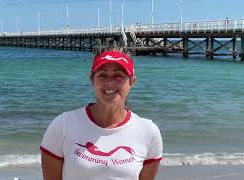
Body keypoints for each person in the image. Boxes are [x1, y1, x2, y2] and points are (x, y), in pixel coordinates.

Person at [40, 48, 163, 180]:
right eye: (102, 75)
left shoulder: (148, 131)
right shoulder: (63, 125)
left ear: (132, 81)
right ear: (92, 80)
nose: (109, 82)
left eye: (118, 75)